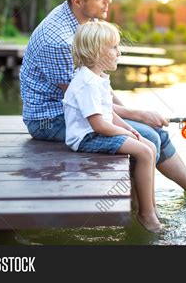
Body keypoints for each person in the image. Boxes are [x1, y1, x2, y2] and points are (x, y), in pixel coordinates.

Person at [19, 0, 186, 195]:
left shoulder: (87, 19)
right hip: (51, 118)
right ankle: (140, 208)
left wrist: (132, 113)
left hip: (82, 107)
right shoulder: (59, 41)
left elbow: (98, 88)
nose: (108, 1)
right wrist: (137, 115)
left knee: (155, 132)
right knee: (147, 135)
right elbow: (84, 99)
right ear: (78, 1)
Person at [63, 21, 160, 232]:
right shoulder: (86, 83)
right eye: (114, 47)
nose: (119, 52)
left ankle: (149, 205)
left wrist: (130, 128)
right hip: (86, 137)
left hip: (100, 130)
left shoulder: (98, 78)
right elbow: (98, 124)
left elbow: (109, 113)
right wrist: (125, 132)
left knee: (150, 146)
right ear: (97, 51)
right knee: (144, 152)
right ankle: (146, 215)